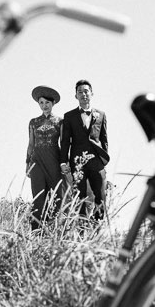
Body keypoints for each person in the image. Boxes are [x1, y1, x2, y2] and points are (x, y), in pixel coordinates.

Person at [59, 79, 109, 223]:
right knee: (79, 197)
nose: (83, 94)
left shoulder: (101, 114)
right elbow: (65, 141)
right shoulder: (69, 116)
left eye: (86, 91)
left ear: (92, 94)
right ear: (76, 96)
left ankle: (97, 227)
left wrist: (104, 159)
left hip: (96, 162)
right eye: (80, 92)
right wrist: (64, 161)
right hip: (77, 163)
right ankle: (81, 231)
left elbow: (104, 139)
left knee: (100, 196)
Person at [25, 85, 65, 230]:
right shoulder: (33, 122)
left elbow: (64, 144)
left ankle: (54, 229)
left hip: (54, 161)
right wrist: (27, 164)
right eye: (41, 103)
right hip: (37, 162)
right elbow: (30, 144)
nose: (44, 106)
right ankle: (36, 231)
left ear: (53, 103)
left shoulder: (60, 121)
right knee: (38, 197)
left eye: (47, 102)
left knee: (56, 196)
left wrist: (64, 163)